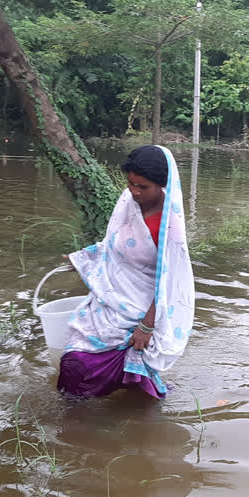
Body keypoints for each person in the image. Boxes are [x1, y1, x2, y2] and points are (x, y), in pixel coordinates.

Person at [57, 145, 195, 399]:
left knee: (124, 375)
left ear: (161, 185)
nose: (134, 191)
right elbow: (113, 243)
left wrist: (146, 325)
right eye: (131, 183)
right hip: (109, 302)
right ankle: (77, 422)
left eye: (143, 187)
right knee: (73, 362)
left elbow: (170, 282)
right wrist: (81, 257)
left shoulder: (168, 225)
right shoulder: (127, 202)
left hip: (141, 311)